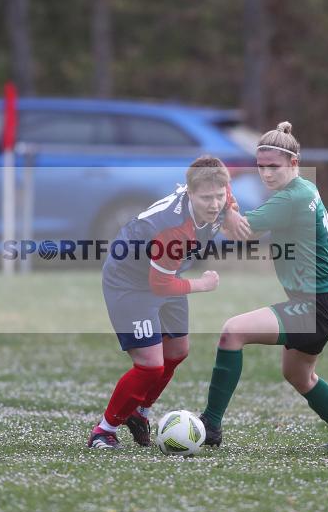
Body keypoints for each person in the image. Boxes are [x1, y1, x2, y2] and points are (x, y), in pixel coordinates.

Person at [198, 122, 328, 450]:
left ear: (294, 164)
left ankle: (211, 425)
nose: (265, 173)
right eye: (260, 166)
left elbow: (243, 231)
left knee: (232, 332)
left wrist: (221, 205)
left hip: (315, 304)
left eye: (273, 166)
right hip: (327, 300)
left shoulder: (293, 197)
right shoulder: (301, 190)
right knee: (299, 375)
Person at [87, 156, 249, 449]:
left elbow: (225, 197)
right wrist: (202, 284)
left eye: (219, 196)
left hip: (166, 272)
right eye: (206, 198)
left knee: (177, 351)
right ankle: (104, 431)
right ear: (189, 193)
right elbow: (159, 285)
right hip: (131, 282)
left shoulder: (220, 196)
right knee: (150, 365)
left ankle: (139, 412)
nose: (214, 204)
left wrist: (232, 212)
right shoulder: (172, 230)